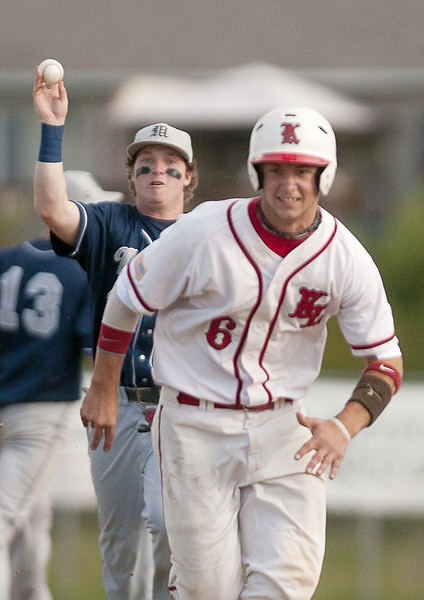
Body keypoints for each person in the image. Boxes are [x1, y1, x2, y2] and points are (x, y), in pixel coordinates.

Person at [80, 104, 403, 600]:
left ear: (325, 176)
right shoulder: (204, 230)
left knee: (287, 584)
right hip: (194, 423)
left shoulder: (346, 257)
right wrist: (103, 386)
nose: (287, 184)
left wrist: (344, 425)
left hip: (284, 426)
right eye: (275, 169)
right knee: (207, 589)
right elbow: (125, 298)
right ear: (257, 173)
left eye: (302, 171)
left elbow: (384, 362)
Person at [32, 69, 198, 600]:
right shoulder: (111, 225)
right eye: (146, 164)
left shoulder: (207, 237)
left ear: (189, 179)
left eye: (171, 167)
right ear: (131, 176)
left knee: (174, 533)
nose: (158, 172)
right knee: (121, 545)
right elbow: (53, 210)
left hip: (185, 406)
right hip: (119, 403)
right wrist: (52, 129)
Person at [0, 229, 91, 600]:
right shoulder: (81, 270)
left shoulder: (5, 260)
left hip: (8, 405)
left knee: (32, 517)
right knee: (8, 516)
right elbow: (93, 346)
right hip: (40, 412)